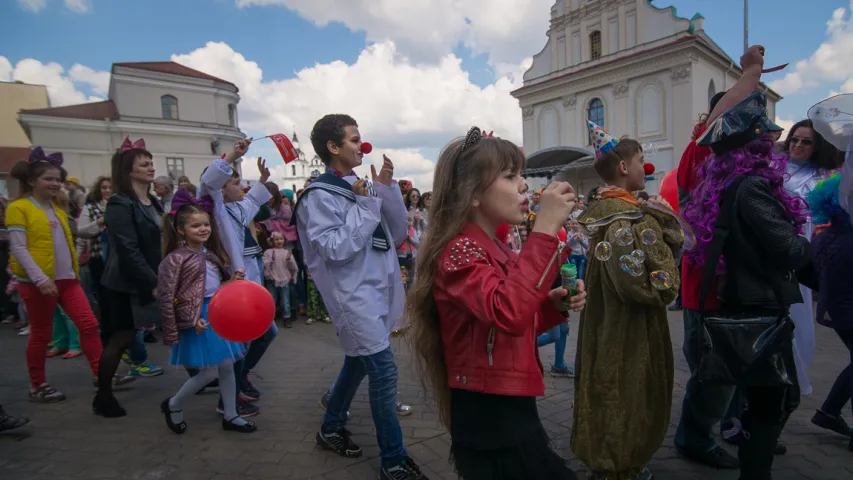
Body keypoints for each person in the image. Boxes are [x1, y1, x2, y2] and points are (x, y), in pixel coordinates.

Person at [408, 127, 585, 480]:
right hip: (487, 411)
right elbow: (508, 312)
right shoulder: (459, 250)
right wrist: (546, 228)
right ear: (472, 194)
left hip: (507, 400)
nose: (523, 185)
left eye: (521, 175)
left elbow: (506, 321)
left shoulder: (497, 249)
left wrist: (552, 306)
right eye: (509, 176)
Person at [684, 91, 810, 479]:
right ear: (754, 145)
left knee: (763, 398)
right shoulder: (752, 186)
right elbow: (789, 251)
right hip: (759, 308)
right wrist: (811, 238)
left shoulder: (720, 184)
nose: (775, 143)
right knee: (775, 401)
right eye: (767, 138)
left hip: (738, 303)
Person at [293, 114, 423, 479]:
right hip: (352, 295)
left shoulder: (361, 186)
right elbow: (335, 248)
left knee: (356, 362)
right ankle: (393, 460)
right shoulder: (318, 195)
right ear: (333, 148)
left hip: (377, 287)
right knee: (382, 371)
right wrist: (366, 205)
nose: (360, 146)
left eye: (360, 138)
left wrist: (384, 189)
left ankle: (330, 428)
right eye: (353, 140)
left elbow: (396, 233)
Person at [673, 45, 769, 469]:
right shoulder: (701, 152)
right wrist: (751, 72)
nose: (762, 132)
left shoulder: (748, 165)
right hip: (707, 290)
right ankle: (695, 438)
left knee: (733, 371)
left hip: (738, 289)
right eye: (751, 120)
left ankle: (732, 425)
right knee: (713, 374)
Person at [573, 122, 684, 480]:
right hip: (627, 329)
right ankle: (619, 465)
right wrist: (666, 233)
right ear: (623, 168)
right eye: (639, 161)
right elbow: (651, 287)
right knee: (625, 390)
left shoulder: (617, 213)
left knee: (610, 384)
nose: (644, 169)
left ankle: (616, 460)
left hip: (609, 323)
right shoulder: (624, 221)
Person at [5, 148, 105, 403]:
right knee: (41, 332)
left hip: (67, 279)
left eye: (58, 179)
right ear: (31, 181)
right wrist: (40, 279)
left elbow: (75, 235)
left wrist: (101, 224)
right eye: (48, 178)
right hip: (38, 283)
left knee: (89, 324)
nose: (55, 183)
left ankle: (102, 374)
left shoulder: (58, 208)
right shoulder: (19, 208)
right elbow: (18, 247)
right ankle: (38, 385)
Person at [157, 189, 257, 434]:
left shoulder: (210, 254)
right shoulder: (175, 259)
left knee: (226, 367)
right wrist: (192, 319)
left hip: (216, 314)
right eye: (195, 226)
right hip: (199, 319)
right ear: (181, 230)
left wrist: (231, 281)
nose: (203, 229)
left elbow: (214, 286)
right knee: (209, 372)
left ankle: (231, 415)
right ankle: (173, 403)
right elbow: (169, 296)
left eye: (205, 224)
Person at [200, 140, 273, 416]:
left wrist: (264, 180)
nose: (240, 187)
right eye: (235, 182)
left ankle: (239, 381)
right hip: (235, 285)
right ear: (221, 187)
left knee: (260, 335)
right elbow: (209, 181)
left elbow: (253, 199)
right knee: (243, 340)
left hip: (250, 286)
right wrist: (233, 156)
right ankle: (228, 399)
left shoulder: (236, 208)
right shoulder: (215, 206)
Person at [95, 137, 163, 417]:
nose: (150, 167)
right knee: (121, 338)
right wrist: (155, 282)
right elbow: (128, 249)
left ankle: (201, 375)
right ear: (128, 170)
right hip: (123, 283)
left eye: (151, 162)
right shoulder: (120, 204)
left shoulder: (153, 201)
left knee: (177, 323)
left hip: (147, 277)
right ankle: (103, 396)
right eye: (143, 163)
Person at [781, 118, 842, 397]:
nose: (797, 145)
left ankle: (796, 373)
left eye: (806, 141)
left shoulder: (823, 177)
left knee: (798, 310)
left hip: (803, 252)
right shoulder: (774, 168)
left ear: (816, 147)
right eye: (794, 139)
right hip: (772, 247)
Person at [806, 174, 853, 452]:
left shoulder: (830, 233)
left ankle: (829, 411)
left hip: (837, 310)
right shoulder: (845, 239)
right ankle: (829, 411)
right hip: (846, 310)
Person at [262, 231, 298, 325]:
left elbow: (293, 267)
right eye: (276, 239)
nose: (279, 241)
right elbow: (264, 264)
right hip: (272, 279)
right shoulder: (268, 252)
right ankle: (270, 318)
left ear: (284, 240)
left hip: (284, 279)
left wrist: (289, 260)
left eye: (281, 239)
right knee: (272, 299)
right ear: (272, 241)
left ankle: (287, 317)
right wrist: (270, 260)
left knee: (285, 300)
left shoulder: (287, 252)